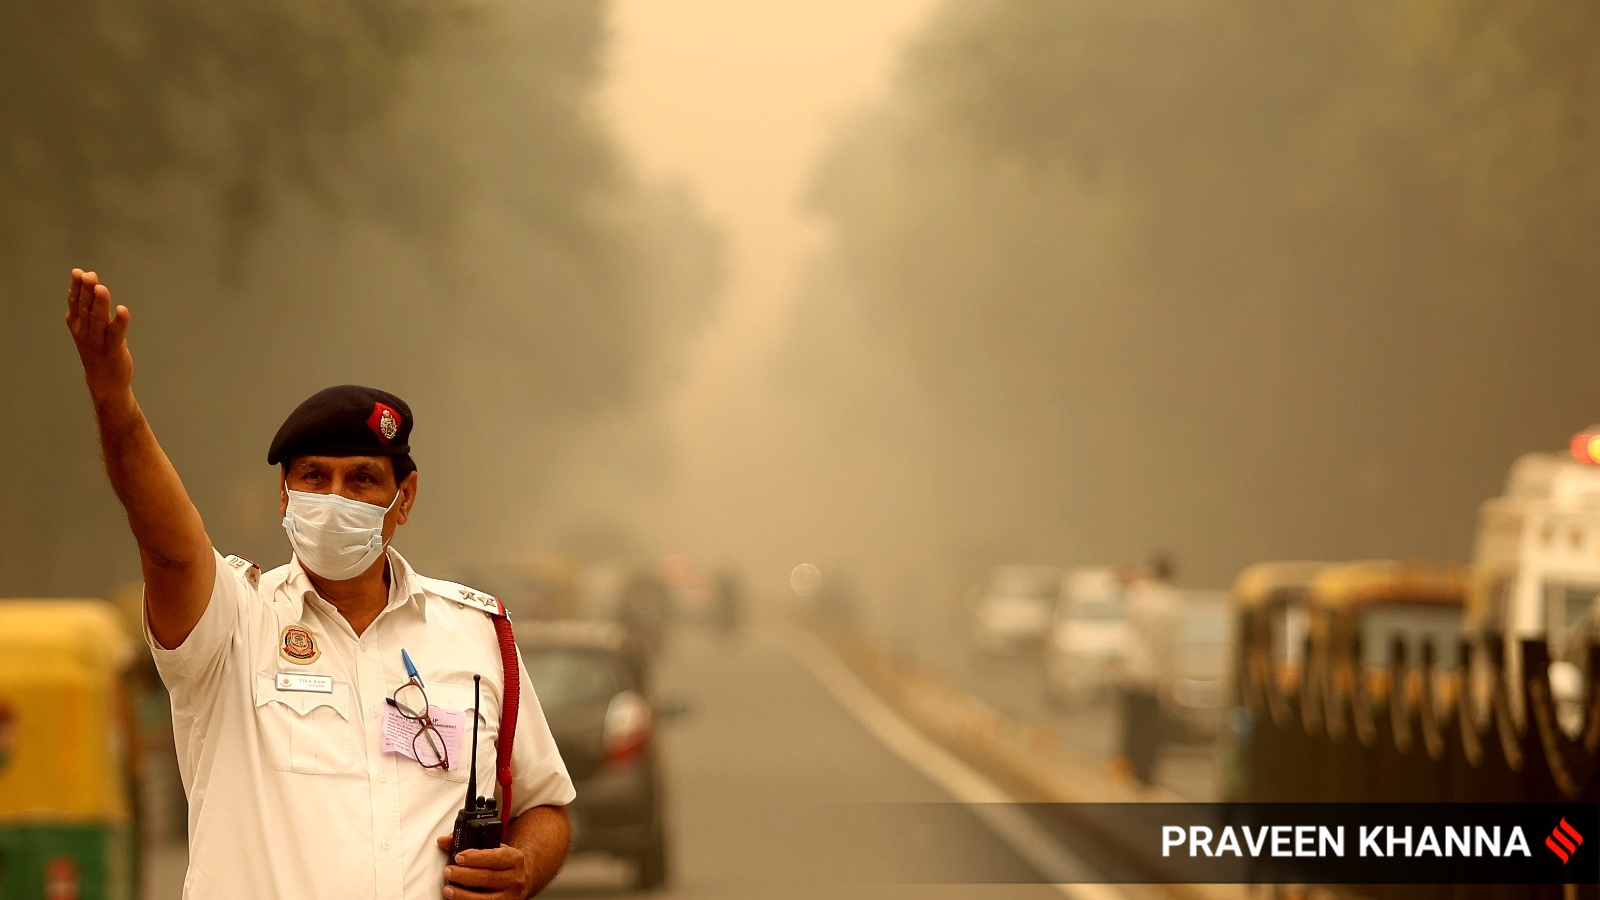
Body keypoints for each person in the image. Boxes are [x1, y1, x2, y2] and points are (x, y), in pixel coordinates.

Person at [63, 269, 575, 899]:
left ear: (403, 498)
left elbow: (547, 808)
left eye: (362, 480)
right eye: (313, 477)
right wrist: (115, 400)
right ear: (284, 493)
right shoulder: (231, 622)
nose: (335, 499)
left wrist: (523, 865)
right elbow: (168, 548)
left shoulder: (477, 634)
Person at [1111, 553, 1180, 789]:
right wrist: (1171, 677)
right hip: (1155, 674)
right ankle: (1146, 773)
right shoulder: (1171, 603)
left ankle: (1127, 767)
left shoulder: (1140, 596)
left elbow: (1121, 581)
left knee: (1131, 724)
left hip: (1133, 669)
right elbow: (1170, 646)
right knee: (1151, 726)